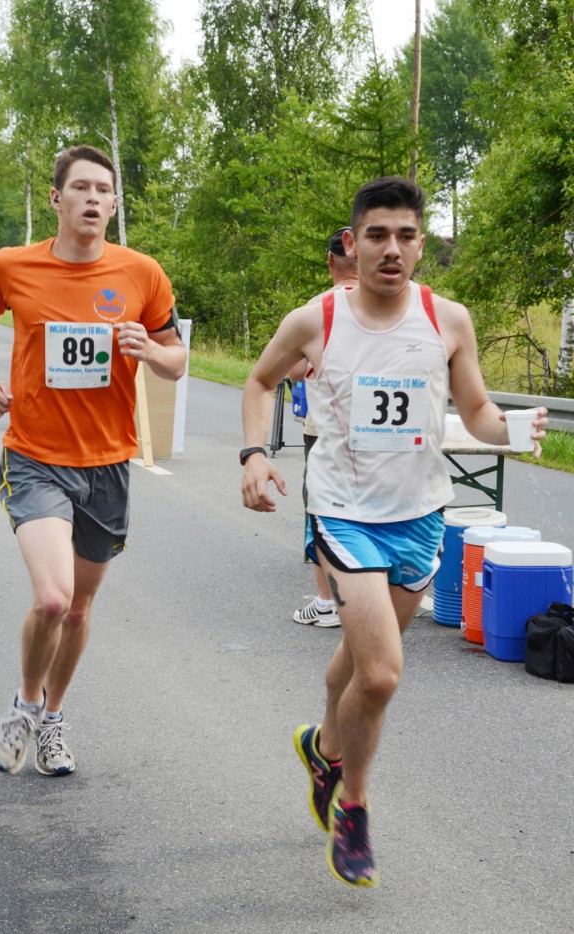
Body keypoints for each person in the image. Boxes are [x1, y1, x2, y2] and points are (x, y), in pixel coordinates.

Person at [240, 176, 548, 887]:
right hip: (344, 513)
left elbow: (474, 413)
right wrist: (255, 456)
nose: (391, 248)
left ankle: (320, 744)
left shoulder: (450, 321)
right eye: (377, 234)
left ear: (420, 247)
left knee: (359, 661)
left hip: (420, 517)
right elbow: (258, 384)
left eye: (406, 236)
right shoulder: (315, 320)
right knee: (380, 672)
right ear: (353, 243)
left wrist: (511, 430)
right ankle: (352, 805)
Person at [0, 144, 187, 777]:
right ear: (56, 200)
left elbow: (177, 361)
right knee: (56, 598)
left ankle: (53, 716)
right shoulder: (13, 266)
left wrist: (150, 348)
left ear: (115, 204)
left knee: (82, 608)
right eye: (81, 188)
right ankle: (24, 706)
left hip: (108, 465)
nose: (93, 199)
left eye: (104, 190)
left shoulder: (142, 273)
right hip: (34, 456)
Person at [292, 227, 357, 629]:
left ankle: (326, 601)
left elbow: (294, 367)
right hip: (385, 437)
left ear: (330, 261)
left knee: (324, 514)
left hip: (326, 433)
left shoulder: (318, 309)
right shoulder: (391, 305)